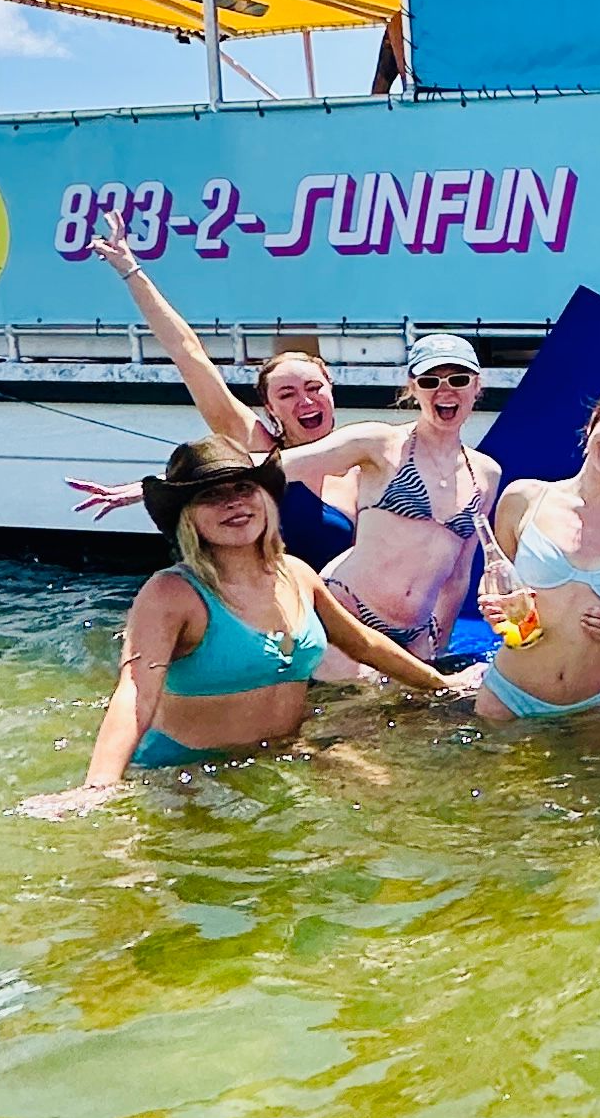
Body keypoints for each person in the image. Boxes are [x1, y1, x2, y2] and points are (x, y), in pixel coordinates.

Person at [25, 442, 458, 809]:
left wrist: (440, 685)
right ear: (187, 516)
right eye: (210, 496)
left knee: (396, 802)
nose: (233, 502)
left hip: (283, 751)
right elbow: (135, 689)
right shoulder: (171, 595)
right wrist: (99, 787)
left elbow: (363, 644)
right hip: (185, 771)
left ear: (265, 500)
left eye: (242, 488)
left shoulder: (297, 574)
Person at [68, 205, 348, 561]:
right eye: (287, 394)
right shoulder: (255, 447)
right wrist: (130, 270)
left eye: (313, 388)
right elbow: (188, 354)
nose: (304, 401)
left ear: (330, 389)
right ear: (270, 409)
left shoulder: (364, 455)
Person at [275, 334, 502, 666]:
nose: (445, 390)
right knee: (346, 712)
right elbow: (278, 467)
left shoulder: (486, 473)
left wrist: (437, 645)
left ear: (476, 385)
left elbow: (457, 577)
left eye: (458, 379)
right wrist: (198, 472)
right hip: (347, 609)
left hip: (414, 632)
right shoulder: (378, 443)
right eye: (429, 380)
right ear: (413, 387)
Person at [472, 377, 600, 727]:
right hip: (507, 697)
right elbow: (494, 581)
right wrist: (493, 606)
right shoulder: (524, 498)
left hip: (594, 706)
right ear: (592, 423)